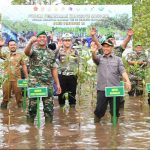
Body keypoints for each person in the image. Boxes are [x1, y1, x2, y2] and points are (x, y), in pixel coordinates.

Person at [90, 27, 134, 108]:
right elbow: (97, 43)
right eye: (110, 39)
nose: (112, 40)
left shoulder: (118, 49)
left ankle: (118, 116)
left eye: (113, 39)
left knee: (119, 102)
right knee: (103, 102)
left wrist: (129, 36)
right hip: (105, 81)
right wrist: (93, 36)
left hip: (117, 79)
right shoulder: (102, 50)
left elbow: (125, 42)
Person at [24, 31, 61, 122]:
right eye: (40, 37)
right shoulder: (33, 50)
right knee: (32, 109)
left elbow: (54, 69)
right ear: (37, 39)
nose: (42, 39)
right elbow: (26, 52)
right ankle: (30, 132)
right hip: (34, 84)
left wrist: (58, 84)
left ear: (47, 39)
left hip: (47, 84)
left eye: (44, 37)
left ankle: (48, 133)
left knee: (49, 110)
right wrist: (30, 42)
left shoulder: (51, 53)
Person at [91, 39, 131, 123]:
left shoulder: (118, 59)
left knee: (115, 111)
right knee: (99, 110)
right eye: (104, 46)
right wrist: (93, 52)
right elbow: (94, 59)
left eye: (108, 46)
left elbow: (122, 71)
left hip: (114, 89)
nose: (105, 48)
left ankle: (115, 131)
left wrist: (127, 81)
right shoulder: (99, 58)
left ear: (112, 47)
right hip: (102, 89)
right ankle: (97, 127)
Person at [0, 38, 28, 109]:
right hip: (7, 79)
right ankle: (3, 112)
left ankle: (20, 113)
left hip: (17, 79)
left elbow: (24, 65)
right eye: (11, 45)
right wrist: (0, 46)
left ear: (16, 46)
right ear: (8, 46)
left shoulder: (20, 55)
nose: (13, 46)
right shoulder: (5, 54)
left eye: (14, 45)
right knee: (5, 97)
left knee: (19, 97)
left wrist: (27, 77)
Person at [56, 33, 79, 108]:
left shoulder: (75, 52)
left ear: (71, 41)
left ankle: (72, 114)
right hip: (62, 76)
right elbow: (52, 58)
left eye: (69, 40)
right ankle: (61, 115)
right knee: (61, 96)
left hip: (72, 76)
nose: (67, 42)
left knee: (72, 96)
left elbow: (79, 63)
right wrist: (57, 47)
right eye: (65, 40)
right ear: (62, 41)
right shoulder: (59, 51)